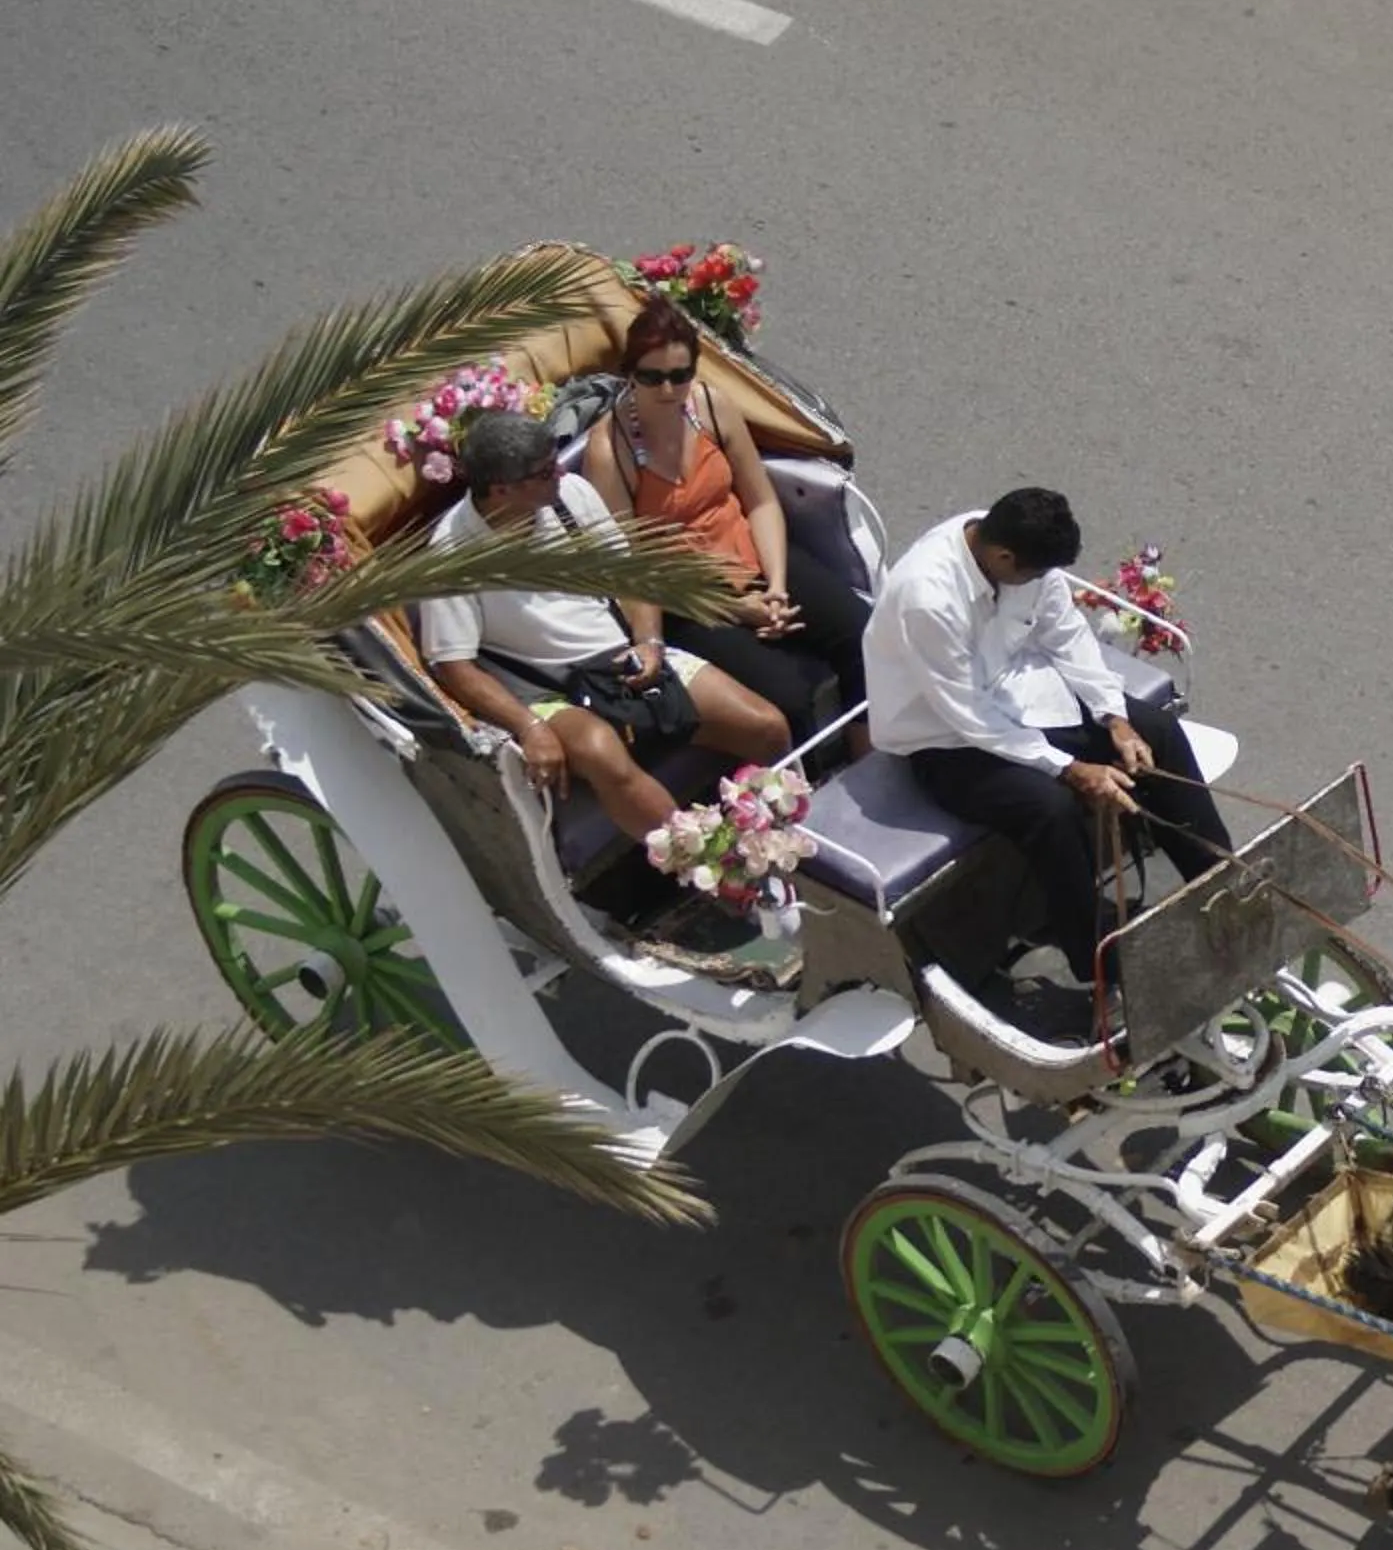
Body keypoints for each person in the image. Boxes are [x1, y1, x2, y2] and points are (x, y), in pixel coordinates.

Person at [862, 486, 1233, 1028]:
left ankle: (1220, 882)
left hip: (1020, 695)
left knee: (1156, 732)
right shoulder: (928, 597)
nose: (1040, 584)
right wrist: (1072, 768)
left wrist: (1116, 719)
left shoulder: (1022, 557)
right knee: (1049, 810)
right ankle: (1101, 964)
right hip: (943, 739)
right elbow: (968, 715)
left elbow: (1067, 638)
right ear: (1003, 558)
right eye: (1033, 575)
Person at [419, 412, 790, 846]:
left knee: (767, 728)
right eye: (544, 472)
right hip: (549, 694)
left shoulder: (571, 496)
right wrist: (529, 727)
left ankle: (783, 839)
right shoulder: (451, 557)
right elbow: (455, 666)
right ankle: (711, 866)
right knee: (601, 753)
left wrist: (649, 641)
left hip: (624, 659)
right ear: (502, 489)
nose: (560, 472)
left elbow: (633, 577)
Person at [575, 294, 870, 759]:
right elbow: (637, 568)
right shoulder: (610, 452)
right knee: (789, 694)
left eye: (680, 375)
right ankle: (805, 780)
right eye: (652, 378)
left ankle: (864, 752)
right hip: (688, 597)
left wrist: (774, 585)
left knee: (860, 630)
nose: (668, 391)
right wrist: (740, 609)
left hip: (752, 555)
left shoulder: (712, 406)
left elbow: (760, 500)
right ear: (629, 375)